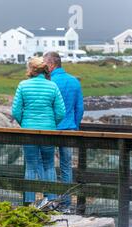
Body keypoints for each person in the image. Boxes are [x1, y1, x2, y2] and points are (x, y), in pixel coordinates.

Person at [12, 57, 66, 206]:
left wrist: (24, 123)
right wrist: (52, 123)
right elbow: (61, 112)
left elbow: (16, 110)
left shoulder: (23, 85)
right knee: (49, 164)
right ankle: (50, 199)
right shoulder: (52, 86)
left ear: (31, 70)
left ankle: (29, 202)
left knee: (30, 165)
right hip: (49, 130)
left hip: (29, 131)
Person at [43, 52, 84, 213]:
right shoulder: (74, 82)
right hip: (68, 129)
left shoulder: (49, 81)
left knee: (49, 165)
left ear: (51, 65)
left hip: (51, 129)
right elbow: (79, 108)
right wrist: (75, 126)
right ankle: (66, 204)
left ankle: (52, 201)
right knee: (67, 166)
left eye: (45, 64)